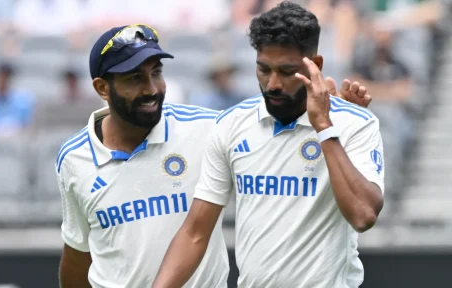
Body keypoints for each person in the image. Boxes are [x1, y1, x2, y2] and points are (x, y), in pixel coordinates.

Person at [57, 24, 372, 288]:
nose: (152, 89)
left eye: (156, 73)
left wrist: (339, 121)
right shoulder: (74, 159)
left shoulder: (207, 129)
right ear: (102, 88)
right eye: (134, 79)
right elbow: (77, 254)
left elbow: (284, 143)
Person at [153, 2, 384, 288]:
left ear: (316, 66)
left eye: (287, 72)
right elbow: (195, 232)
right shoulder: (232, 125)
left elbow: (363, 215)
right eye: (264, 69)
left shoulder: (354, 122)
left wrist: (324, 126)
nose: (272, 83)